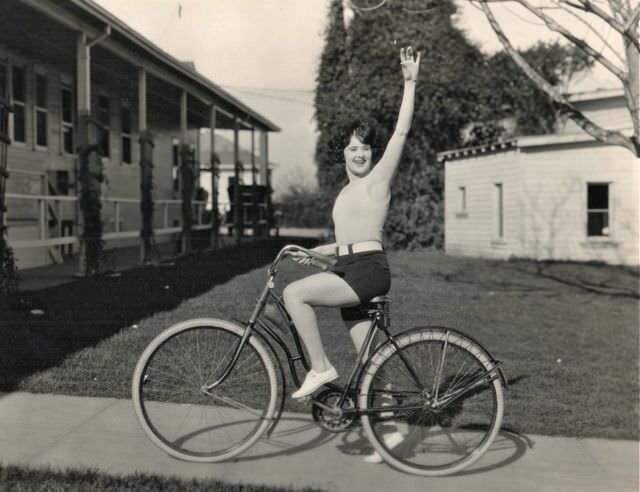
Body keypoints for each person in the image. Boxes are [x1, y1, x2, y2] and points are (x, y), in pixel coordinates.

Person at [283, 46, 420, 400]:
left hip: (368, 270)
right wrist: (313, 253)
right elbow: (345, 246)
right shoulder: (345, 193)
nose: (360, 154)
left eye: (365, 148)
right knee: (372, 366)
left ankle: (320, 367)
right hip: (350, 268)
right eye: (352, 148)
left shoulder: (377, 182)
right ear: (342, 153)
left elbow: (401, 134)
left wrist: (410, 83)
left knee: (293, 294)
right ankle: (390, 438)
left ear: (372, 153)